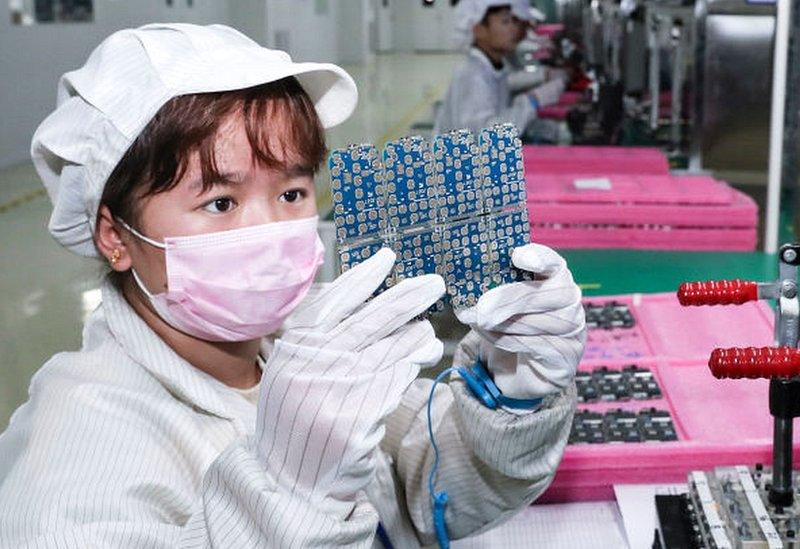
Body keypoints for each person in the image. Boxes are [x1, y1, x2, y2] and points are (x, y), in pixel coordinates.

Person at [0, 23, 585, 548]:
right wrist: (288, 497)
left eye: (290, 194)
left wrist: (510, 394)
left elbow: (422, 491)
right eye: (220, 202)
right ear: (115, 236)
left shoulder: (299, 343)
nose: (269, 233)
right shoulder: (74, 452)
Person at [434, 0, 567, 135]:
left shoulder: (493, 68)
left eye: (513, 21)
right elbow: (486, 136)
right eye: (505, 22)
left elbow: (503, 113)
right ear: (479, 30)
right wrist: (531, 101)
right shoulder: (472, 76)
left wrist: (556, 131)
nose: (514, 29)